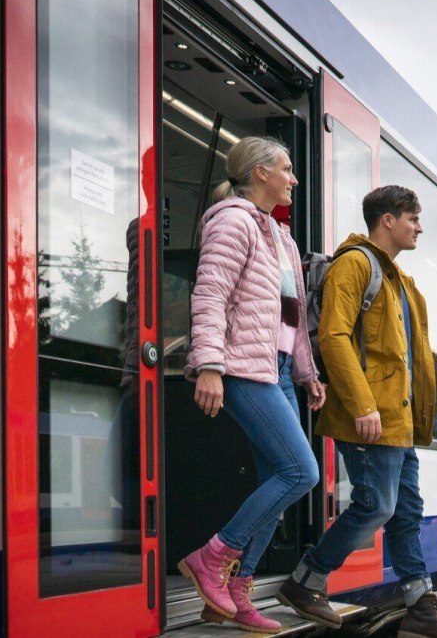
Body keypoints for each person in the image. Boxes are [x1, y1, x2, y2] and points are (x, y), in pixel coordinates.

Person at [277, 185, 437, 638]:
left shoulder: (400, 281)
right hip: (368, 417)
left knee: (406, 512)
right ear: (388, 220)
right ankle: (305, 581)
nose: (419, 227)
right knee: (376, 504)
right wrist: (362, 404)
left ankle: (421, 607)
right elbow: (335, 337)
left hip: (396, 421)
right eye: (413, 218)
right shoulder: (355, 265)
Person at [180, 136, 326, 635]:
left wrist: (306, 374)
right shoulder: (233, 219)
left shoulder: (281, 238)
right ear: (260, 173)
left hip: (278, 369)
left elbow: (293, 318)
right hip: (242, 367)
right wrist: (210, 365)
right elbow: (211, 293)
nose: (294, 178)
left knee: (277, 481)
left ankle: (232, 597)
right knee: (300, 472)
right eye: (287, 168)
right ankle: (212, 557)